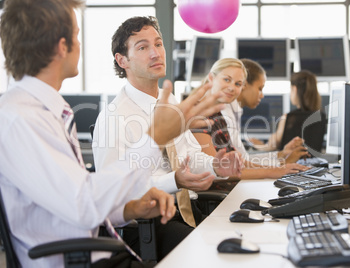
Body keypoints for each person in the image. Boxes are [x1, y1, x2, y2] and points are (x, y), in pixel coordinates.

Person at [0, 1, 226, 267]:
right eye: (76, 35)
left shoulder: (48, 110)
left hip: (102, 249)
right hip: (81, 261)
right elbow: (82, 204)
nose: (80, 45)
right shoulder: (21, 118)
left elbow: (82, 197)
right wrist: (154, 138)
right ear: (62, 47)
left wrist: (128, 209)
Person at [92, 16, 242, 260]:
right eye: (142, 47)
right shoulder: (113, 117)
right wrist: (175, 180)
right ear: (122, 60)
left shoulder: (169, 100)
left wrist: (215, 165)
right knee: (215, 257)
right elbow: (115, 193)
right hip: (147, 225)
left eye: (158, 44)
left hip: (186, 212)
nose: (155, 53)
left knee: (241, 240)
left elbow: (189, 157)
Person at [191, 58, 309, 188]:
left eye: (237, 84)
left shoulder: (218, 115)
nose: (231, 88)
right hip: (222, 195)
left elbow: (240, 163)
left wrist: (281, 165)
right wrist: (275, 169)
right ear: (211, 78)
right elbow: (215, 171)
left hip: (234, 188)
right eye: (226, 80)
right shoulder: (199, 115)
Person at [221, 58, 309, 164]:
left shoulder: (233, 111)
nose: (262, 95)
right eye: (260, 88)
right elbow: (240, 165)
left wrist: (282, 154)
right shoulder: (226, 113)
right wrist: (283, 163)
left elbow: (245, 159)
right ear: (244, 84)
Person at [250, 70, 322, 152]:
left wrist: (258, 145)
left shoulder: (289, 118)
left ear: (294, 89)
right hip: (314, 162)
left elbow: (272, 146)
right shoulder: (321, 116)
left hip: (290, 162)